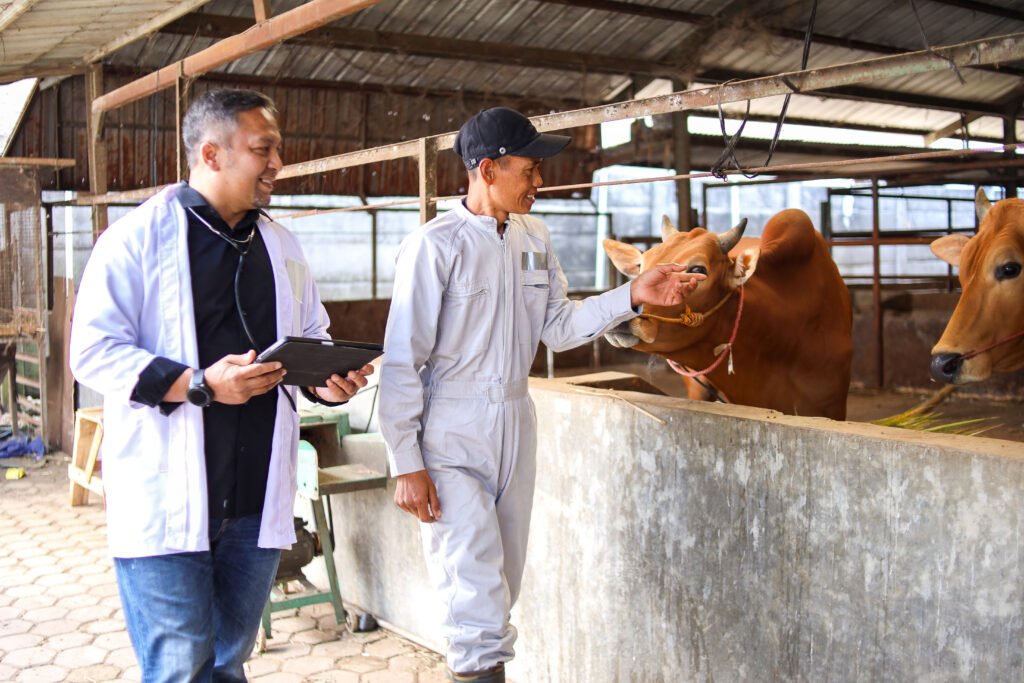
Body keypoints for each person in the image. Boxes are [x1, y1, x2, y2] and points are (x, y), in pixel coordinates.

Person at [378, 106, 704, 682]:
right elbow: (404, 360)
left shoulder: (534, 236)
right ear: (487, 169)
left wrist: (634, 295)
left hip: (515, 417)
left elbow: (557, 326)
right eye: (529, 169)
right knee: (474, 588)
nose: (539, 181)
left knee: (503, 580)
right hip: (452, 429)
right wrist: (406, 462)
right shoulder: (434, 246)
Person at [69, 89, 373, 683]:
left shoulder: (282, 245)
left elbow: (311, 336)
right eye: (264, 150)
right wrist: (200, 385)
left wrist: (329, 384)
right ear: (211, 153)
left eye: (278, 149)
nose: (278, 164)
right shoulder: (135, 240)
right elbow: (93, 352)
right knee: (180, 670)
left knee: (229, 662)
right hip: (167, 504)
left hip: (255, 501)